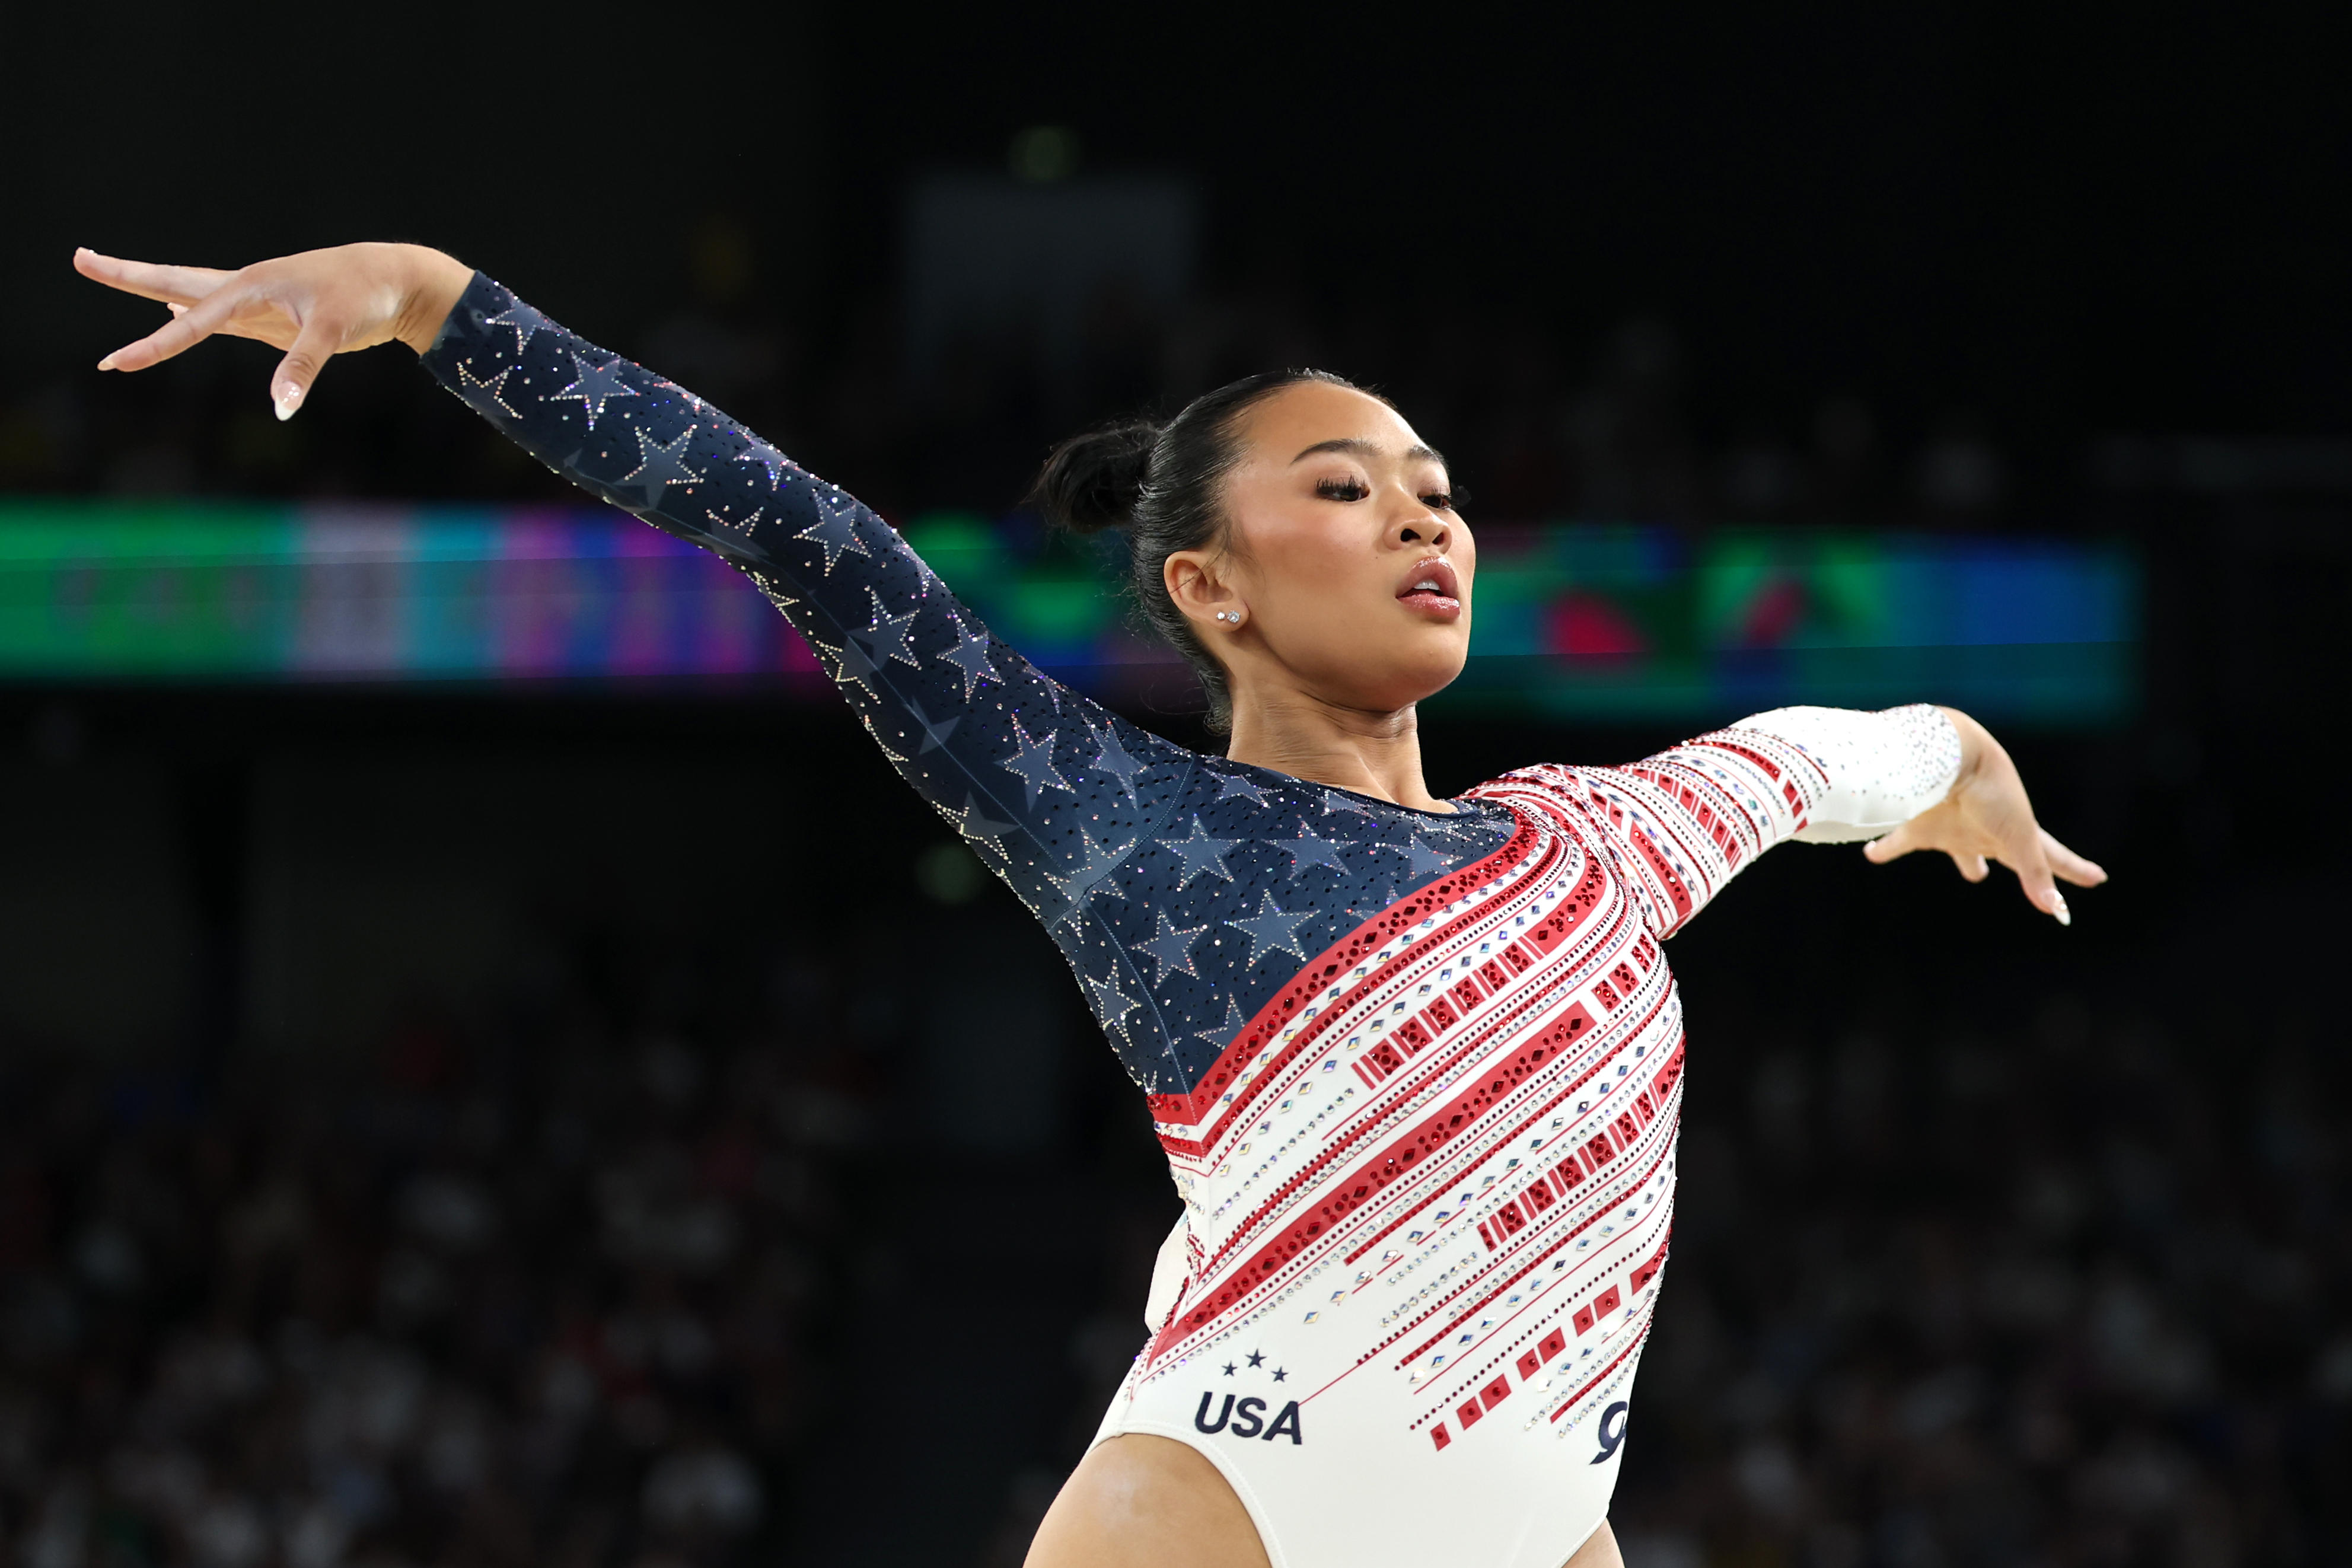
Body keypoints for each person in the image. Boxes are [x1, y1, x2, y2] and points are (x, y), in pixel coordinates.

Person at [74, 243, 2106, 1568]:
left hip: (1541, 1529)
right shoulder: (1126, 822)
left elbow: (1881, 745)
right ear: (1207, 586)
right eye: (1343, 481)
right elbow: (824, 551)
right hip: (1219, 1503)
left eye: (1437, 482)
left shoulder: (1604, 832)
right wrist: (443, 306)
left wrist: (1974, 791)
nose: (1424, 508)